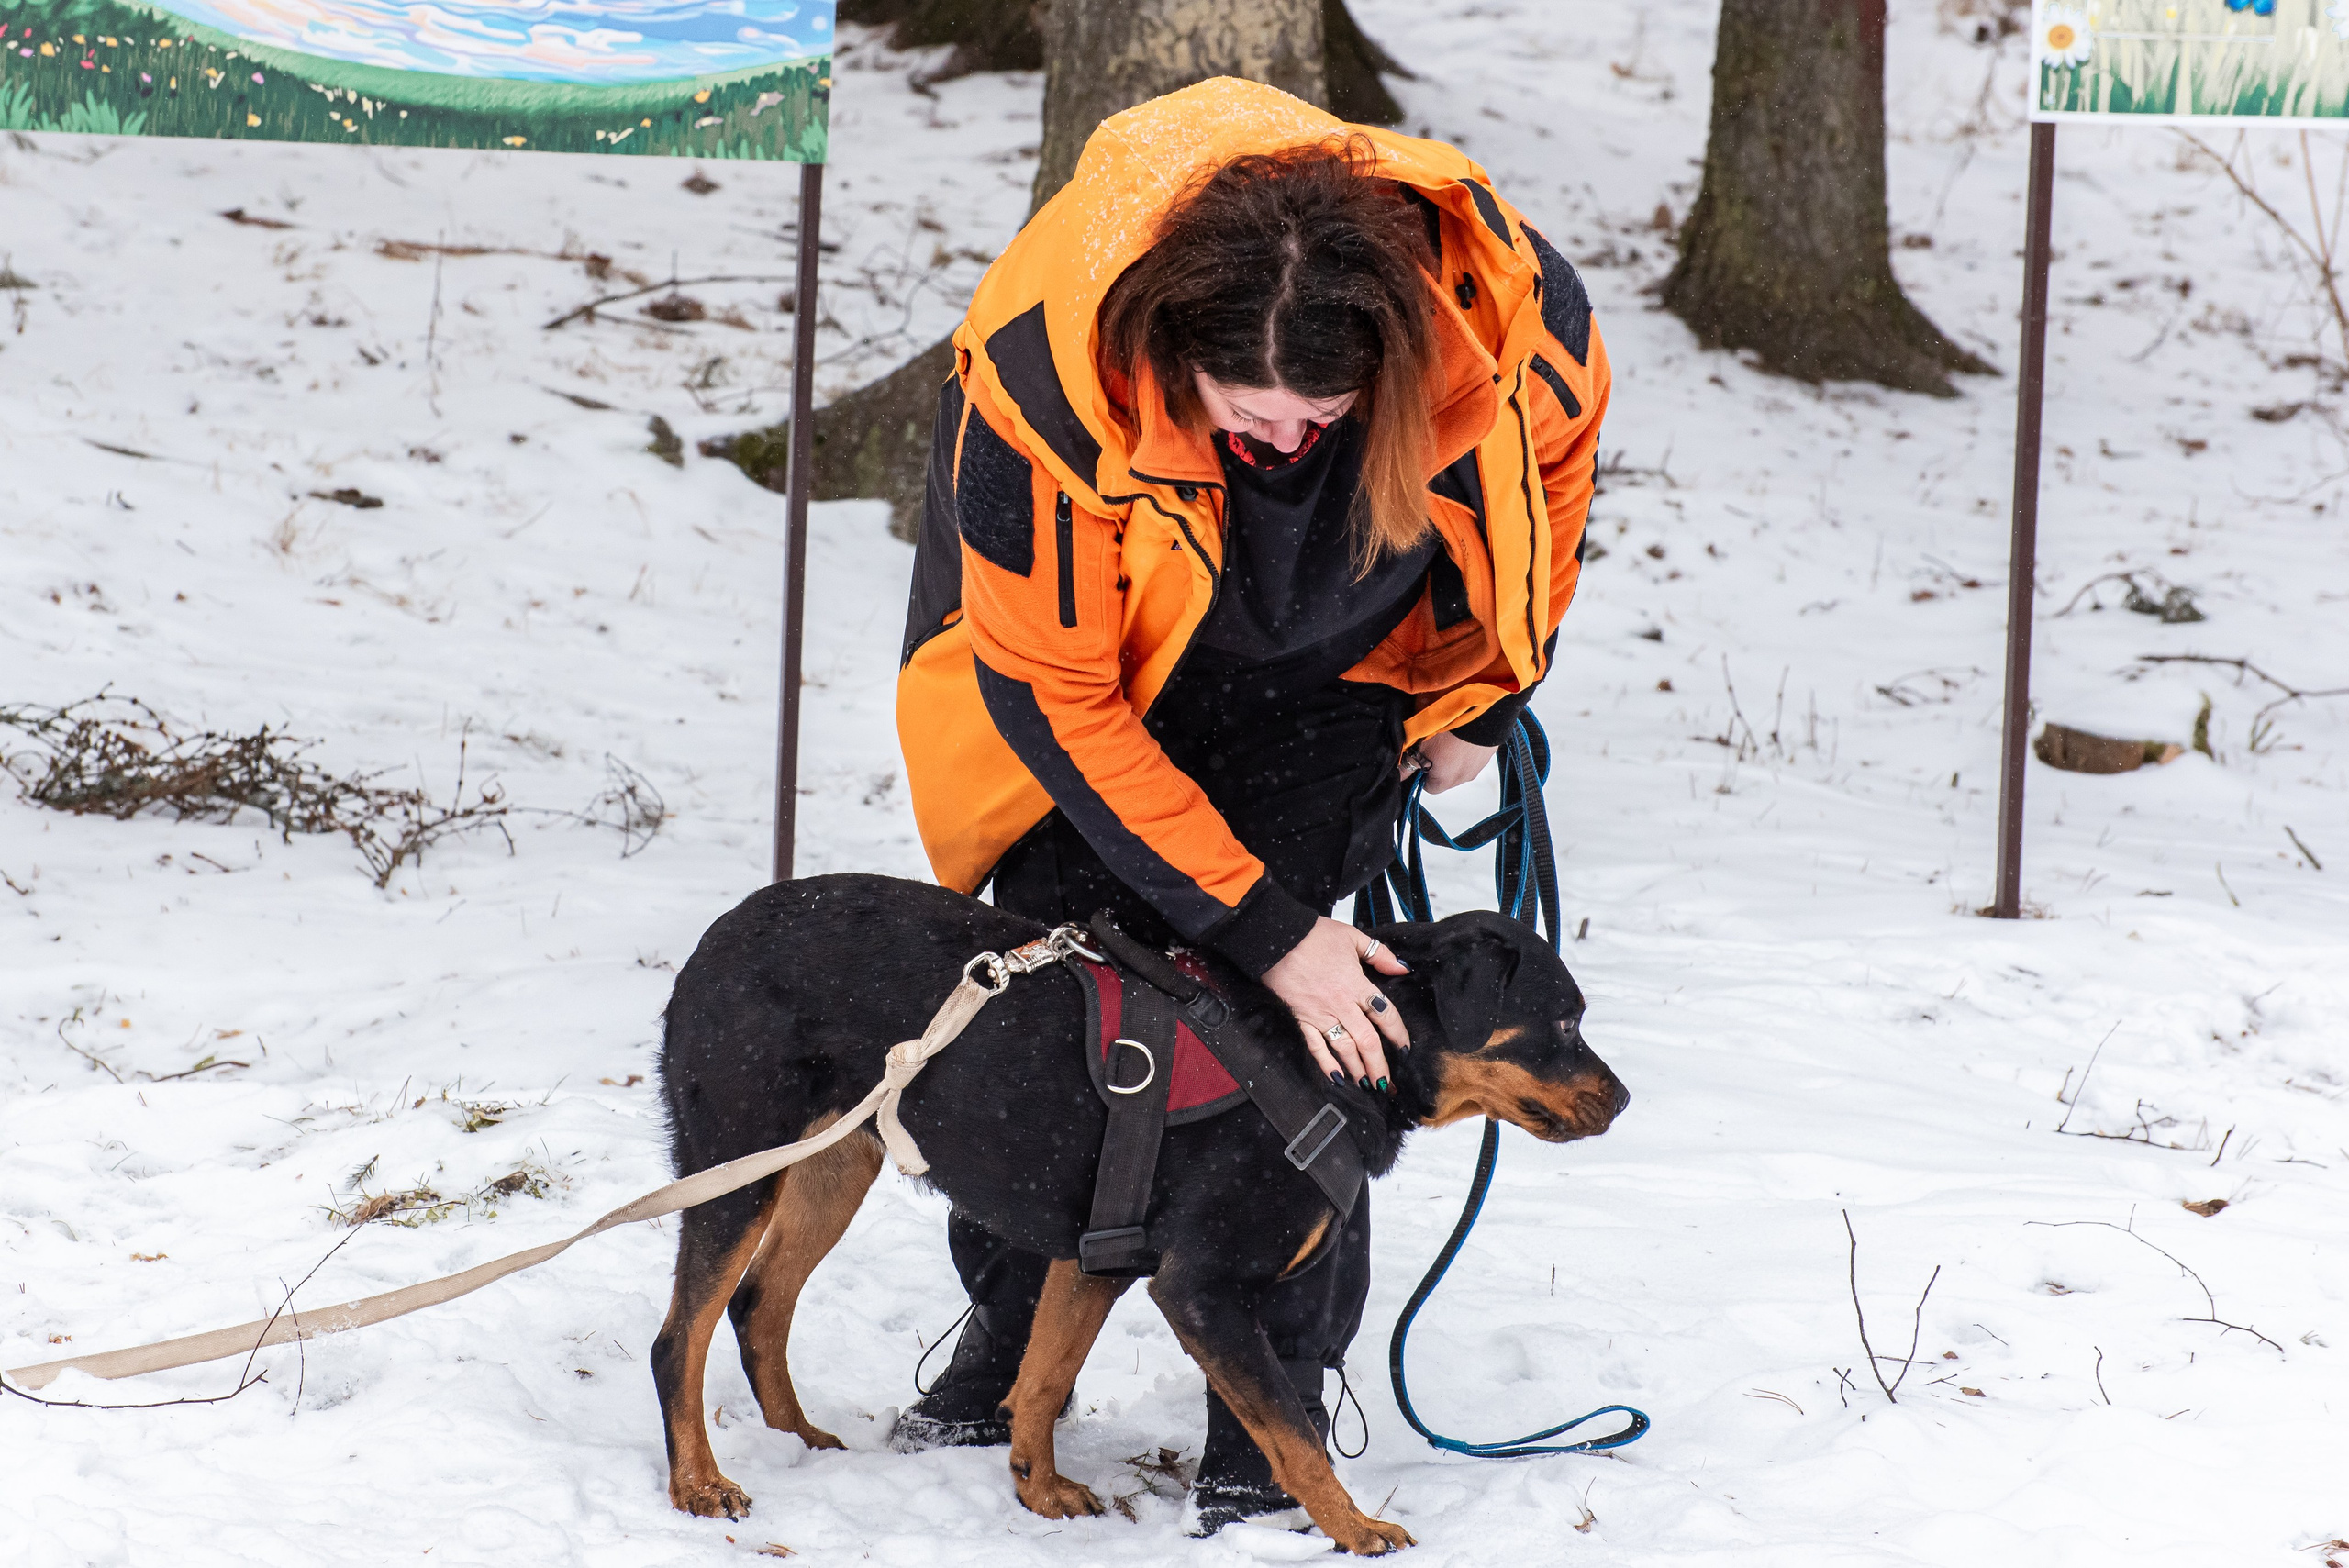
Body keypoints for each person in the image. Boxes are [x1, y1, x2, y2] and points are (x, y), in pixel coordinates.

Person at [890, 77, 1609, 1530]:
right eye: (1247, 413)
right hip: (1093, 682)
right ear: (1173, 354)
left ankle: (1264, 1397)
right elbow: (1057, 697)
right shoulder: (1041, 378)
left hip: (1335, 665)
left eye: (1324, 413)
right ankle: (1008, 1324)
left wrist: (1483, 683)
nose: (1285, 441)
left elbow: (1554, 480)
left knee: (1301, 1041)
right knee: (1059, 1002)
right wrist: (1266, 922)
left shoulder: (1515, 320)